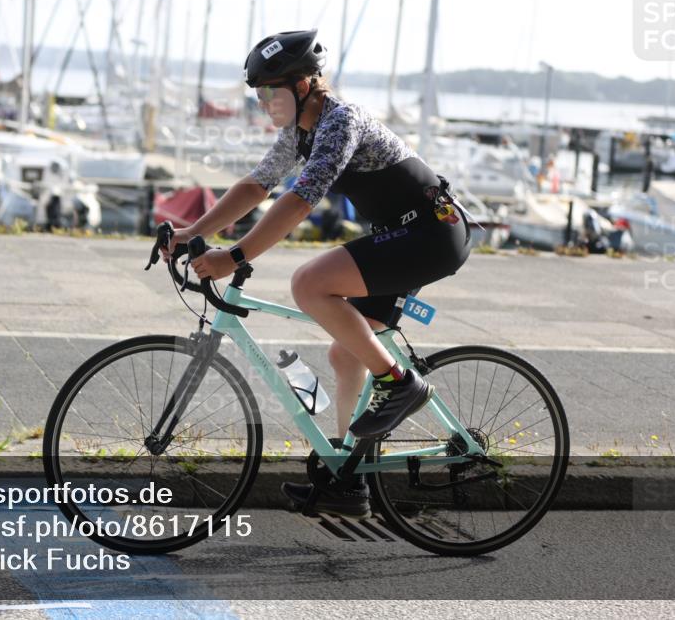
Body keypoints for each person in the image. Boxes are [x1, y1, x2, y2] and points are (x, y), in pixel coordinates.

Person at [163, 29, 471, 516]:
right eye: (258, 94)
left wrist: (236, 256)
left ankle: (400, 383)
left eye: (269, 91)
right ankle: (348, 482)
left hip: (432, 234)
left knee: (309, 283)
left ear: (303, 84)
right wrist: (192, 231)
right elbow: (257, 186)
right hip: (403, 233)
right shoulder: (301, 131)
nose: (263, 102)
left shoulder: (339, 122)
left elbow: (300, 199)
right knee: (346, 353)